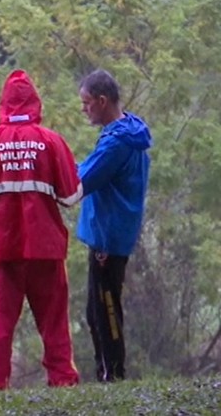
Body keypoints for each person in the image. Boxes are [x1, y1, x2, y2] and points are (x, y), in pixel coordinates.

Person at [0, 69, 84, 389]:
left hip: (2, 251)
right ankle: (63, 379)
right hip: (46, 248)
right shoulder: (52, 142)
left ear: (3, 105)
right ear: (35, 103)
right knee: (54, 321)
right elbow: (71, 196)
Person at [75, 69, 152, 382]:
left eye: (87, 102)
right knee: (96, 310)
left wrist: (57, 161)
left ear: (102, 101)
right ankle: (107, 370)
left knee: (104, 311)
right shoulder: (129, 131)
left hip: (107, 237)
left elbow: (82, 179)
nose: (84, 109)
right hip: (117, 231)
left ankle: (113, 373)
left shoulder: (115, 144)